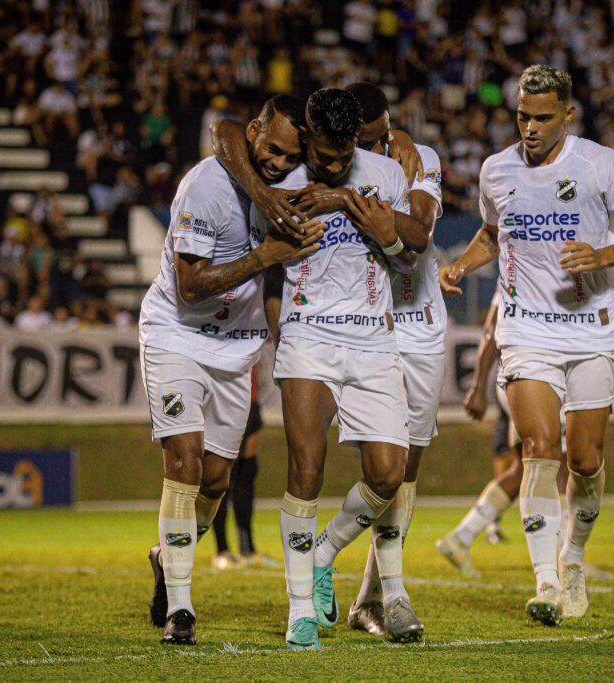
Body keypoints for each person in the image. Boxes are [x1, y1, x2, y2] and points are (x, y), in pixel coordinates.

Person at [438, 65, 614, 624]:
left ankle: (573, 560)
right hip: (526, 328)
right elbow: (492, 233)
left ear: (568, 115)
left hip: (592, 330)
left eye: (542, 118)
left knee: (585, 461)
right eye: (522, 116)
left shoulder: (601, 164)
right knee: (537, 448)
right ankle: (546, 582)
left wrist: (601, 256)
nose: (529, 128)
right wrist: (462, 262)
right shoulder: (495, 170)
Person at [140, 95, 322, 646]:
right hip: (178, 335)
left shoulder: (293, 183)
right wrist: (266, 255)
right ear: (252, 133)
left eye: (290, 157)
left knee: (218, 479)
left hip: (236, 351)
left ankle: (163, 556)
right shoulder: (204, 187)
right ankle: (181, 608)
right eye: (270, 150)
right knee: (185, 461)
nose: (278, 164)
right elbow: (192, 287)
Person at [257, 88, 424, 650]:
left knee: (388, 474)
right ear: (306, 133)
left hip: (374, 338)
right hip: (308, 335)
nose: (330, 164)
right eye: (322, 154)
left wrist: (372, 218)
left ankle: (325, 552)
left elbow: (415, 244)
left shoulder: (385, 171)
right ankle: (300, 609)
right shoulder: (277, 181)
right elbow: (271, 270)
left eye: (342, 152)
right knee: (306, 468)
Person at [440, 289, 614, 579]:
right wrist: (478, 385)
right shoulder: (523, 266)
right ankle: (564, 560)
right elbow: (493, 328)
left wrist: (613, 354)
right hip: (532, 373)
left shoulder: (554, 268)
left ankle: (462, 536)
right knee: (553, 463)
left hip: (532, 371)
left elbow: (566, 328)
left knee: (526, 467)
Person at [210, 368, 277, 570]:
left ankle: (247, 549)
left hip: (249, 396)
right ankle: (222, 550)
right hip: (221, 396)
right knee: (221, 473)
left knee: (246, 472)